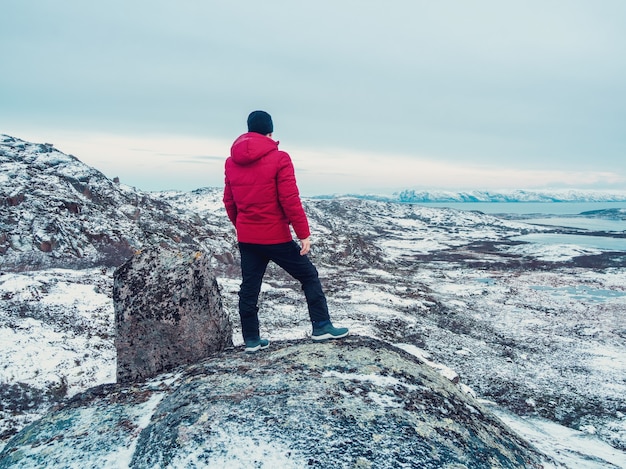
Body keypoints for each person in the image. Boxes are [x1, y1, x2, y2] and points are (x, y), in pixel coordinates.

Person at [223, 110, 349, 353]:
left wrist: (243, 227)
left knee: (249, 287)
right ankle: (321, 326)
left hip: (248, 238)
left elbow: (229, 201)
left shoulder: (231, 162)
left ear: (249, 130)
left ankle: (251, 340)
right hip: (276, 237)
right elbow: (290, 200)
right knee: (309, 275)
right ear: (270, 132)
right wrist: (304, 234)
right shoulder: (280, 158)